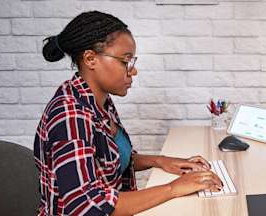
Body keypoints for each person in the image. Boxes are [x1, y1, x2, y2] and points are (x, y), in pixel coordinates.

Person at [34, 11, 222, 216]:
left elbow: (113, 160)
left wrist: (160, 161)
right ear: (90, 59)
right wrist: (173, 188)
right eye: (126, 61)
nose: (133, 71)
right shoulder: (70, 116)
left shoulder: (99, 101)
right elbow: (86, 205)